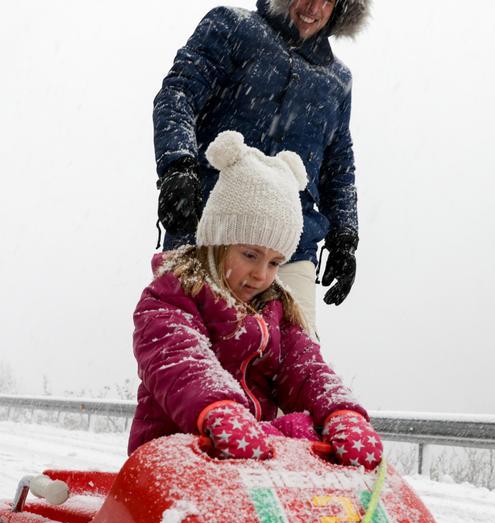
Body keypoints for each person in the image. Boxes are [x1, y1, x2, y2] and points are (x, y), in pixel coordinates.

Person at [130, 130, 382, 470]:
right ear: (218, 242)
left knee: (306, 434)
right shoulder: (173, 296)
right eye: (250, 254)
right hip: (175, 459)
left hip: (249, 462)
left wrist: (340, 412)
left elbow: (306, 369)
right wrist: (219, 409)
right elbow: (178, 357)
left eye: (275, 262)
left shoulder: (276, 311)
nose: (262, 274)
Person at [152, 0, 370, 332]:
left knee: (292, 368)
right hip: (209, 229)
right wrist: (178, 166)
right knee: (186, 355)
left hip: (289, 252)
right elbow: (178, 94)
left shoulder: (336, 81)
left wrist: (344, 237)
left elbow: (339, 164)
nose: (314, 7)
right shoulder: (232, 27)